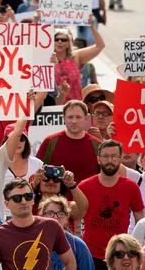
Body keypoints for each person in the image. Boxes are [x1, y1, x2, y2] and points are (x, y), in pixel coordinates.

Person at [78, 140, 144, 269]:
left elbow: (140, 219)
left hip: (120, 255)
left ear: (120, 159)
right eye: (106, 156)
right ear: (98, 159)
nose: (110, 160)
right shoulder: (84, 186)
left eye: (114, 156)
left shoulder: (131, 187)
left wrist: (136, 250)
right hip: (91, 254)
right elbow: (75, 216)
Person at [0, 179, 76, 269]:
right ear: (7, 204)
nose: (23, 201)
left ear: (33, 199)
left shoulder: (52, 226)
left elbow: (70, 262)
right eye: (17, 198)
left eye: (28, 196)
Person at [37, 100, 102, 184]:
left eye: (78, 117)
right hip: (56, 197)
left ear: (86, 118)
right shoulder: (50, 141)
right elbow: (37, 171)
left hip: (88, 196)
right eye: (70, 117)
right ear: (63, 118)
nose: (74, 121)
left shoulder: (97, 144)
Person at [39, 196, 93, 269]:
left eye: (60, 213)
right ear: (42, 217)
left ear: (66, 218)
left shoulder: (78, 245)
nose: (55, 217)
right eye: (50, 213)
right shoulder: (33, 243)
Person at [54, 24, 105, 101]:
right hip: (54, 105)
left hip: (75, 104)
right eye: (56, 39)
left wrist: (92, 26)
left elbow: (100, 46)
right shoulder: (47, 59)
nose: (60, 42)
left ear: (68, 43)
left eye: (64, 40)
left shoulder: (75, 56)